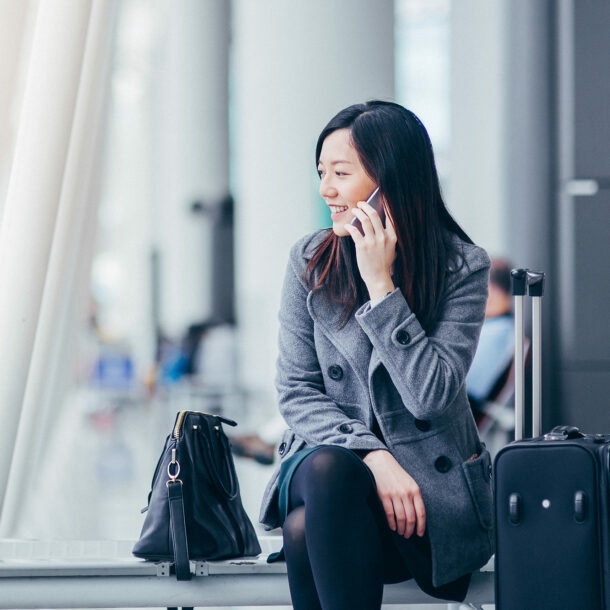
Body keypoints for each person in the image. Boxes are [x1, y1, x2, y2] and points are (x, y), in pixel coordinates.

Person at [259, 100, 494, 609]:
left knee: (302, 530)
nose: (326, 190)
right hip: (327, 473)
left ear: (390, 180)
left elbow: (431, 397)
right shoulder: (310, 259)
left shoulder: (462, 268)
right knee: (331, 470)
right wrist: (372, 455)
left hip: (424, 499)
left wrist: (381, 288)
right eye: (322, 172)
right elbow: (296, 391)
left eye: (340, 173)